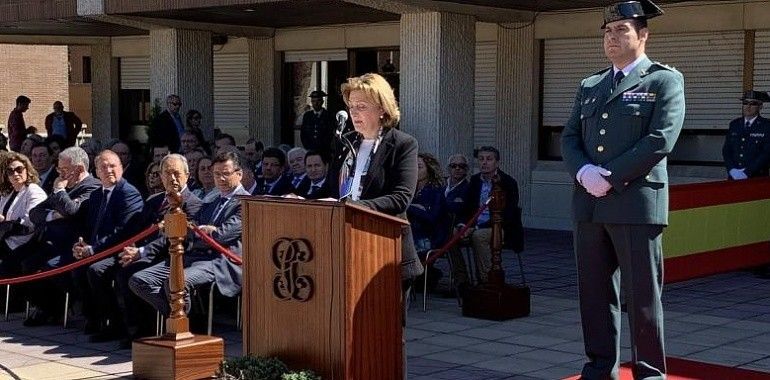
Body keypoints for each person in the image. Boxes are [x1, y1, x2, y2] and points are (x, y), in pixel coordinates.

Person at [560, 1, 685, 378]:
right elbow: (569, 137)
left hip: (634, 203)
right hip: (590, 206)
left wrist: (609, 177)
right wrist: (583, 173)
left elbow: (660, 140)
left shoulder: (663, 80)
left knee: (643, 298)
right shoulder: (591, 84)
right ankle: (600, 369)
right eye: (607, 32)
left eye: (622, 30)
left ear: (643, 35)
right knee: (595, 297)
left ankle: (649, 373)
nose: (612, 38)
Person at [330, 73, 422, 379]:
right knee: (350, 332)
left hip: (386, 255)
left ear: (382, 109)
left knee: (388, 336)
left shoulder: (403, 144)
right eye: (351, 106)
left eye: (362, 106)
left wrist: (355, 207)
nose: (354, 113)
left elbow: (400, 198)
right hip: (347, 251)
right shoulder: (347, 144)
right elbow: (337, 191)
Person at [130, 150, 249, 317]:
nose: (220, 179)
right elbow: (190, 232)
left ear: (239, 174)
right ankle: (180, 319)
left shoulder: (246, 203)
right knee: (139, 280)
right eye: (216, 174)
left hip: (219, 262)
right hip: (192, 256)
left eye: (226, 174)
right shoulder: (211, 202)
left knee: (175, 283)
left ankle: (183, 326)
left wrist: (203, 233)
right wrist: (203, 232)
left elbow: (221, 237)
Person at [448, 146, 522, 288]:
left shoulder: (508, 182)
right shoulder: (475, 181)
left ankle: (486, 280)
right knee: (452, 235)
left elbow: (508, 214)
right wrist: (462, 225)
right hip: (474, 225)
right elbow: (466, 208)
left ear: (497, 163)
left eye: (489, 159)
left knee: (479, 236)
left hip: (499, 227)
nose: (484, 163)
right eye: (481, 159)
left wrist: (476, 228)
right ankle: (461, 280)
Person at [0, 152, 47, 272]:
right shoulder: (7, 193)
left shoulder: (33, 191)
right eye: (10, 171)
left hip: (24, 243)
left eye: (19, 169)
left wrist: (5, 222)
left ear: (27, 170)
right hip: (6, 240)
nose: (15, 173)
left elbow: (30, 222)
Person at [722, 90, 770, 179]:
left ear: (760, 106)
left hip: (756, 177)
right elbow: (726, 150)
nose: (748, 106)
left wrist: (747, 172)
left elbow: (766, 153)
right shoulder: (734, 124)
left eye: (753, 103)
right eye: (745, 103)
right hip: (734, 176)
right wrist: (731, 170)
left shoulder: (766, 126)